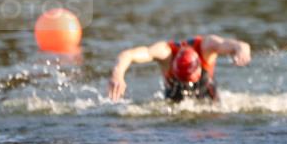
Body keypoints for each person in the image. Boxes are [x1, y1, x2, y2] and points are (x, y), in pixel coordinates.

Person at [107, 35, 251, 102]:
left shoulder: (206, 46)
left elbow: (238, 44)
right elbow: (128, 54)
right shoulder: (165, 53)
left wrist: (242, 50)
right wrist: (117, 74)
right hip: (174, 97)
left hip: (208, 92)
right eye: (183, 79)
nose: (188, 84)